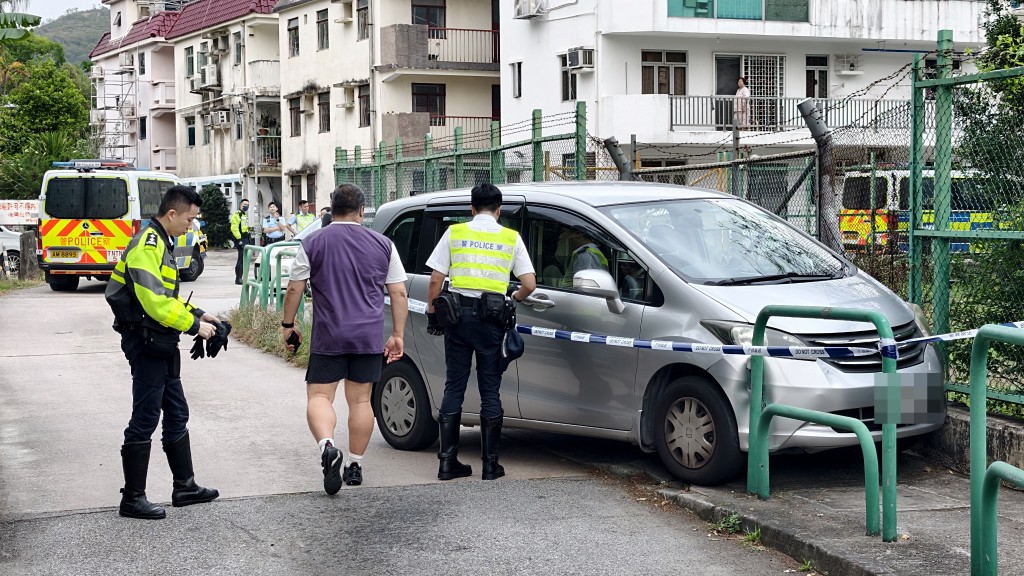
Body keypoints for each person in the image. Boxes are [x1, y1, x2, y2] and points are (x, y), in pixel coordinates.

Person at [280, 184, 409, 495]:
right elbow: (399, 293)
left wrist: (288, 324)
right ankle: (354, 465)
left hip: (329, 336)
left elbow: (295, 287)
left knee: (320, 397)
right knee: (361, 401)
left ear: (332, 209)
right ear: (362, 211)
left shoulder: (313, 242)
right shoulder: (384, 245)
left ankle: (327, 446)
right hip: (367, 337)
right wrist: (397, 335)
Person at [104, 185, 221, 520]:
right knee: (145, 417)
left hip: (160, 340)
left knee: (177, 411)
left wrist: (200, 315)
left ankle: (185, 486)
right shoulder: (148, 244)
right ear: (172, 214)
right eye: (190, 219)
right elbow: (153, 303)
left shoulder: (162, 242)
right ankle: (132, 498)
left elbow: (166, 297)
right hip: (145, 341)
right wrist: (193, 326)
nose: (191, 225)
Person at [425, 183, 536, 481]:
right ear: (499, 210)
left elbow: (435, 280)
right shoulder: (510, 237)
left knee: (454, 386)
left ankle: (447, 463)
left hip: (457, 319)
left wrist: (433, 315)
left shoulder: (455, 232)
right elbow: (529, 283)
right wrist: (512, 298)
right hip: (492, 320)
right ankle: (490, 465)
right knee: (490, 390)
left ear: (471, 209)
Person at [230, 199, 252, 285]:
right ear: (240, 205)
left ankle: (241, 277)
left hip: (245, 238)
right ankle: (238, 278)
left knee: (244, 258)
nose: (246, 206)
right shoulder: (237, 215)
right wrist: (239, 239)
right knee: (241, 258)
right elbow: (234, 228)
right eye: (244, 204)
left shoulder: (244, 215)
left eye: (247, 205)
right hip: (240, 238)